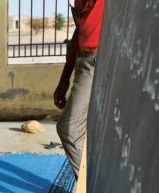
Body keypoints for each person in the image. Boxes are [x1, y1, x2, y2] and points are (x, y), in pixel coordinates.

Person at [55, 0, 105, 178]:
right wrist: (64, 79)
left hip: (103, 56)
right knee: (75, 129)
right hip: (85, 60)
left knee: (69, 128)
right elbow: (80, 31)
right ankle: (90, 191)